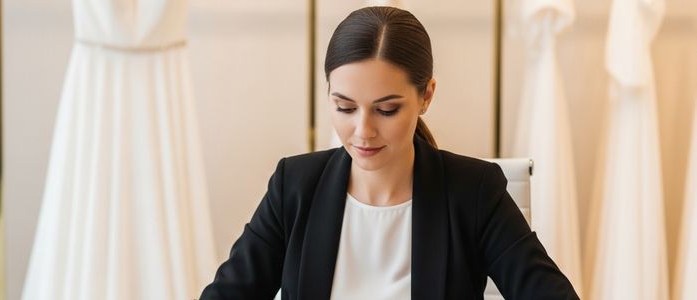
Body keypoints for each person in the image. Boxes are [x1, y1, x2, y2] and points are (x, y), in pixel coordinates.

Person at [200, 6, 578, 300]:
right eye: (345, 108)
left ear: (426, 96)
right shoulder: (294, 187)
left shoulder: (474, 192)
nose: (363, 131)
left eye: (386, 109)